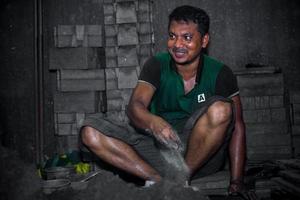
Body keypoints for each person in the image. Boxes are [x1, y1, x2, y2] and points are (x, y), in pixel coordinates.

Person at [80, 5, 251, 197]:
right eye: (172, 36)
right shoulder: (157, 65)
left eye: (187, 38)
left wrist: (237, 181)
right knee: (90, 132)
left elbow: (237, 127)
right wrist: (153, 122)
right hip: (162, 150)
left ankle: (181, 177)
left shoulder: (220, 73)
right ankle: (159, 181)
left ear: (204, 40)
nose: (177, 44)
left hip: (203, 156)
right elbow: (135, 107)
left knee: (221, 109)